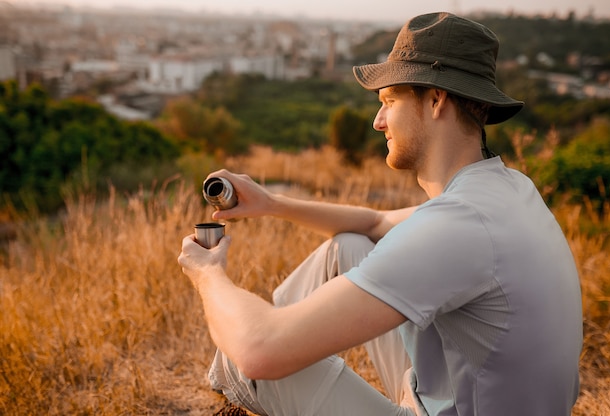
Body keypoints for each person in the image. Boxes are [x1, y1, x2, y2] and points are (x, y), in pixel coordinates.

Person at [178, 12, 583, 416]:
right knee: (349, 245)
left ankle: (245, 384)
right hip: (462, 401)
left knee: (247, 359)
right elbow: (373, 223)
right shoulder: (505, 191)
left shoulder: (457, 227)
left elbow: (259, 351)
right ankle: (278, 356)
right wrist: (271, 203)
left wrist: (207, 274)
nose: (378, 121)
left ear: (436, 99)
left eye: (389, 101)